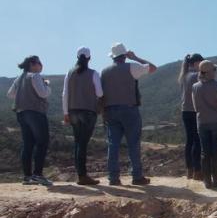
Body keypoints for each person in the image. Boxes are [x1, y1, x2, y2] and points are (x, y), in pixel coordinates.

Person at [100, 43, 157, 186]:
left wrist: (103, 113)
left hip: (110, 110)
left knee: (113, 145)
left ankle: (113, 178)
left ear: (113, 57)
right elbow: (153, 68)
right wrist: (135, 57)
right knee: (133, 144)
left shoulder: (104, 71)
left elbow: (100, 94)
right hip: (129, 110)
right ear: (124, 55)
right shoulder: (131, 67)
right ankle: (136, 176)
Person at [7, 55, 53, 186]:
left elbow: (10, 94)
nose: (41, 65)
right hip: (35, 112)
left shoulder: (19, 78)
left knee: (28, 143)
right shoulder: (34, 76)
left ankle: (27, 176)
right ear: (33, 64)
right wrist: (46, 85)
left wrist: (23, 94)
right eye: (39, 63)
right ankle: (38, 174)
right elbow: (43, 93)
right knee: (42, 142)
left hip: (21, 113)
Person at [62, 47, 103, 185]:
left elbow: (65, 94)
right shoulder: (93, 73)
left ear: (77, 57)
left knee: (78, 143)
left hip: (73, 111)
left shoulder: (69, 72)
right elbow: (100, 93)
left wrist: (65, 113)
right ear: (89, 58)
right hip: (88, 112)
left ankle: (80, 174)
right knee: (83, 144)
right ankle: (83, 176)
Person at [192, 60, 217, 189]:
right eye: (214, 69)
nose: (215, 71)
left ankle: (207, 181)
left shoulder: (195, 87)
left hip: (202, 122)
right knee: (216, 151)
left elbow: (195, 106)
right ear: (210, 72)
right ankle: (216, 180)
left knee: (205, 152)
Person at [179, 53, 204, 180]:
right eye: (201, 62)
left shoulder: (183, 76)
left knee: (189, 141)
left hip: (185, 111)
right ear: (195, 63)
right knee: (197, 141)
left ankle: (189, 170)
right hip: (194, 110)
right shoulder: (196, 75)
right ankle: (197, 171)